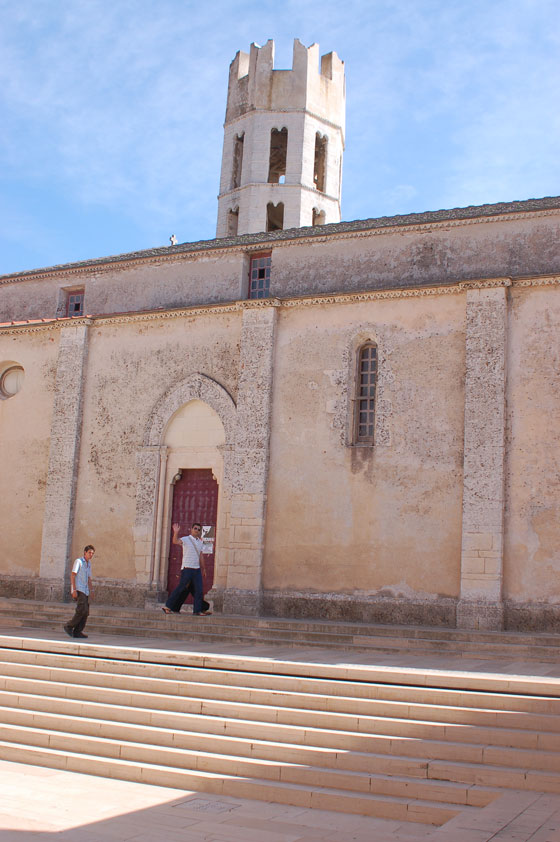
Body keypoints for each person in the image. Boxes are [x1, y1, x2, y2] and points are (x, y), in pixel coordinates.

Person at [162, 522, 210, 616]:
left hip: (196, 570)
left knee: (199, 590)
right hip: (187, 568)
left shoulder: (200, 542)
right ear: (191, 529)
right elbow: (175, 541)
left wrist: (203, 568)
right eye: (195, 528)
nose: (197, 530)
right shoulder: (186, 539)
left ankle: (198, 610)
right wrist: (176, 532)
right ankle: (168, 606)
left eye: (198, 529)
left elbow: (201, 556)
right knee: (181, 587)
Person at [63, 545, 95, 639]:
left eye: (92, 553)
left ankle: (78, 631)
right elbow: (73, 575)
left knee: (86, 612)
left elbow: (89, 578)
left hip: (86, 591)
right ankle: (69, 626)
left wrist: (91, 589)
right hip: (79, 589)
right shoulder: (79, 562)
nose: (91, 555)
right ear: (85, 552)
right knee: (81, 610)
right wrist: (73, 589)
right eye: (89, 552)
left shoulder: (89, 564)